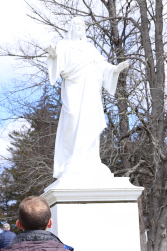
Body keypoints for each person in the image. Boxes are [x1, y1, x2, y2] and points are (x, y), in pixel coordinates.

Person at [46, 17, 129, 179]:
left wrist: (114, 70)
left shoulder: (90, 48)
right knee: (73, 115)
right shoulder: (65, 45)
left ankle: (89, 158)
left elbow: (101, 65)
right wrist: (53, 54)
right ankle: (71, 158)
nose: (79, 27)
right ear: (71, 28)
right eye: (76, 24)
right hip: (73, 85)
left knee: (89, 120)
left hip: (90, 87)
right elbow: (58, 60)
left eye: (81, 25)